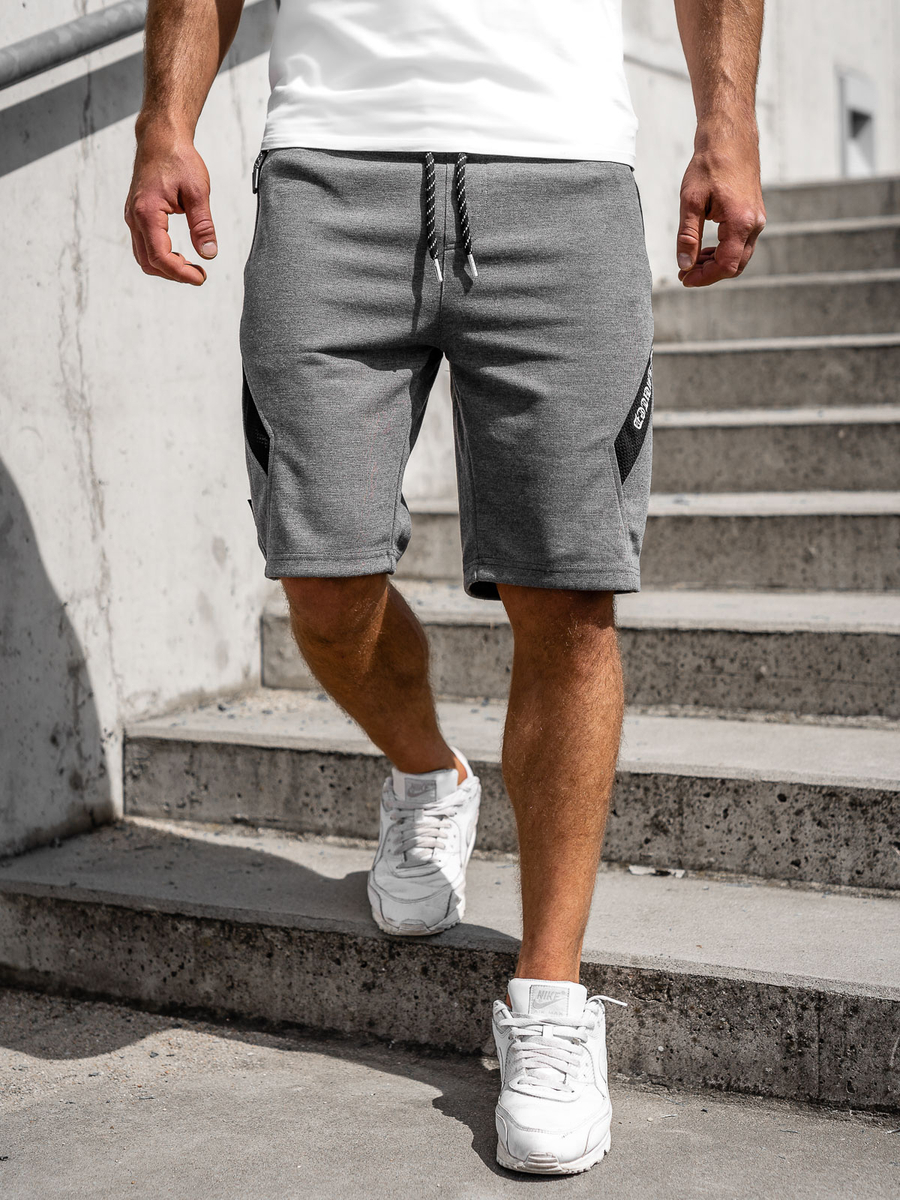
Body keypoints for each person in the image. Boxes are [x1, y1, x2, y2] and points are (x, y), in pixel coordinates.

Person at [126, 0, 765, 1175]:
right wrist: (164, 121)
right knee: (320, 575)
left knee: (567, 596)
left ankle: (550, 999)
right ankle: (429, 775)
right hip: (328, 169)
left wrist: (727, 125)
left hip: (562, 171)